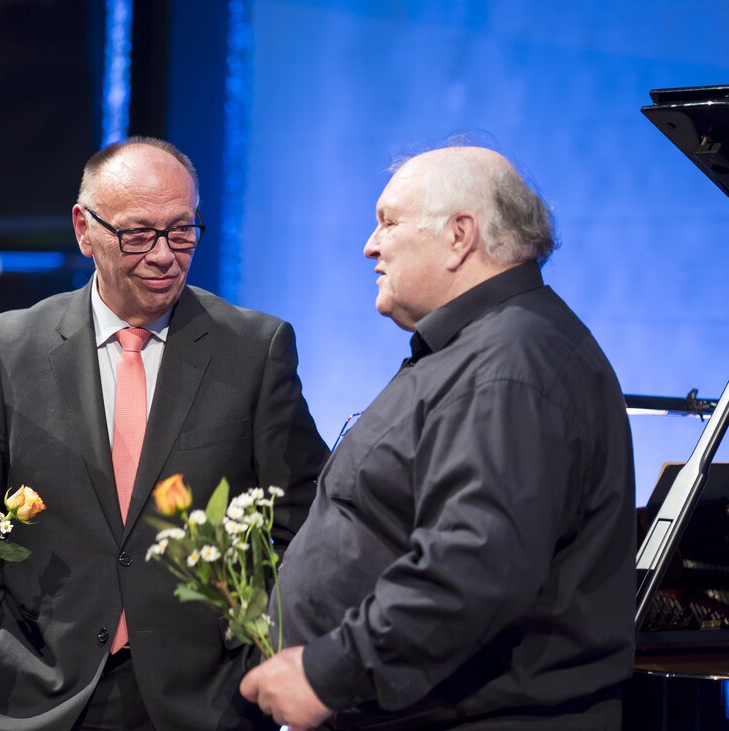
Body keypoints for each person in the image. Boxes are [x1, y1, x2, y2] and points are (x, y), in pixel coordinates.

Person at [241, 146, 635, 730]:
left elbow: (473, 566)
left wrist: (328, 672)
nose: (370, 245)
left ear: (459, 235)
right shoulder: (486, 350)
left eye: (388, 222)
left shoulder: (509, 364)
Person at [0, 136, 330, 730]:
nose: (163, 255)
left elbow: (303, 523)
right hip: (37, 694)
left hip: (205, 699)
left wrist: (254, 642)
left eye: (182, 232)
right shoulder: (11, 346)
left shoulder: (254, 350)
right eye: (138, 234)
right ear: (84, 229)